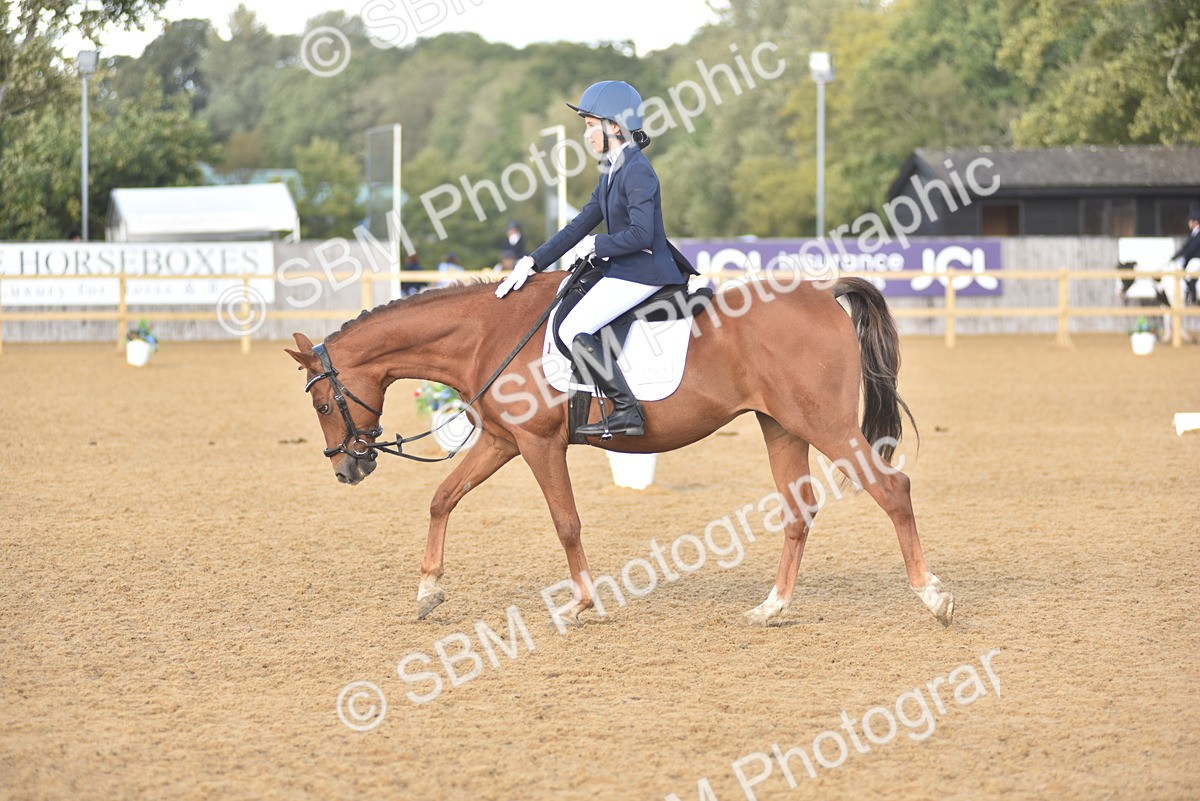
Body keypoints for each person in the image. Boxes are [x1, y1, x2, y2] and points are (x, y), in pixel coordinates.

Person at [495, 80, 692, 437]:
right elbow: (580, 223)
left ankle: (628, 411)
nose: (585, 135)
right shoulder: (612, 169)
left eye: (590, 125)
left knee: (572, 329)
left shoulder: (637, 170)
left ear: (614, 125)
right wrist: (533, 261)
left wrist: (596, 245)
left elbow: (642, 234)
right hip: (623, 269)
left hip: (644, 272)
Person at [1171, 211, 1200, 306]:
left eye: (1190, 221)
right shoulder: (1192, 234)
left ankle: (1193, 296)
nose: (1189, 224)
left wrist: (1184, 255)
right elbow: (1185, 247)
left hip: (1197, 259)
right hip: (1191, 259)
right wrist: (1176, 255)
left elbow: (1192, 248)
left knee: (1188, 273)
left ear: (1195, 222)